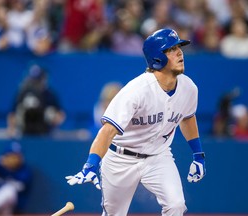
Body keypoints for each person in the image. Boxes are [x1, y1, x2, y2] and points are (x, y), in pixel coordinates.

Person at [66, 28, 206, 216]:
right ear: (157, 58)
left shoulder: (188, 87)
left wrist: (198, 155)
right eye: (172, 49)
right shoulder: (136, 91)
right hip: (120, 159)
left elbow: (188, 118)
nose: (180, 52)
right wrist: (91, 164)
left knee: (176, 205)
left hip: (158, 156)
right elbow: (107, 131)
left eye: (179, 47)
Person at [7, 64, 65, 137]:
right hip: (25, 132)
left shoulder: (50, 95)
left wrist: (52, 117)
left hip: (45, 132)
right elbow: (12, 114)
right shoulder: (22, 94)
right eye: (33, 81)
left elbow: (60, 115)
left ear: (44, 79)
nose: (35, 84)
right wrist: (12, 128)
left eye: (38, 81)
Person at [0, 141, 32, 215]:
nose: (15, 159)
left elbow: (17, 190)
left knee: (9, 190)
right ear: (5, 156)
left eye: (17, 156)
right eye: (12, 156)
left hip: (12, 206)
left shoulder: (24, 171)